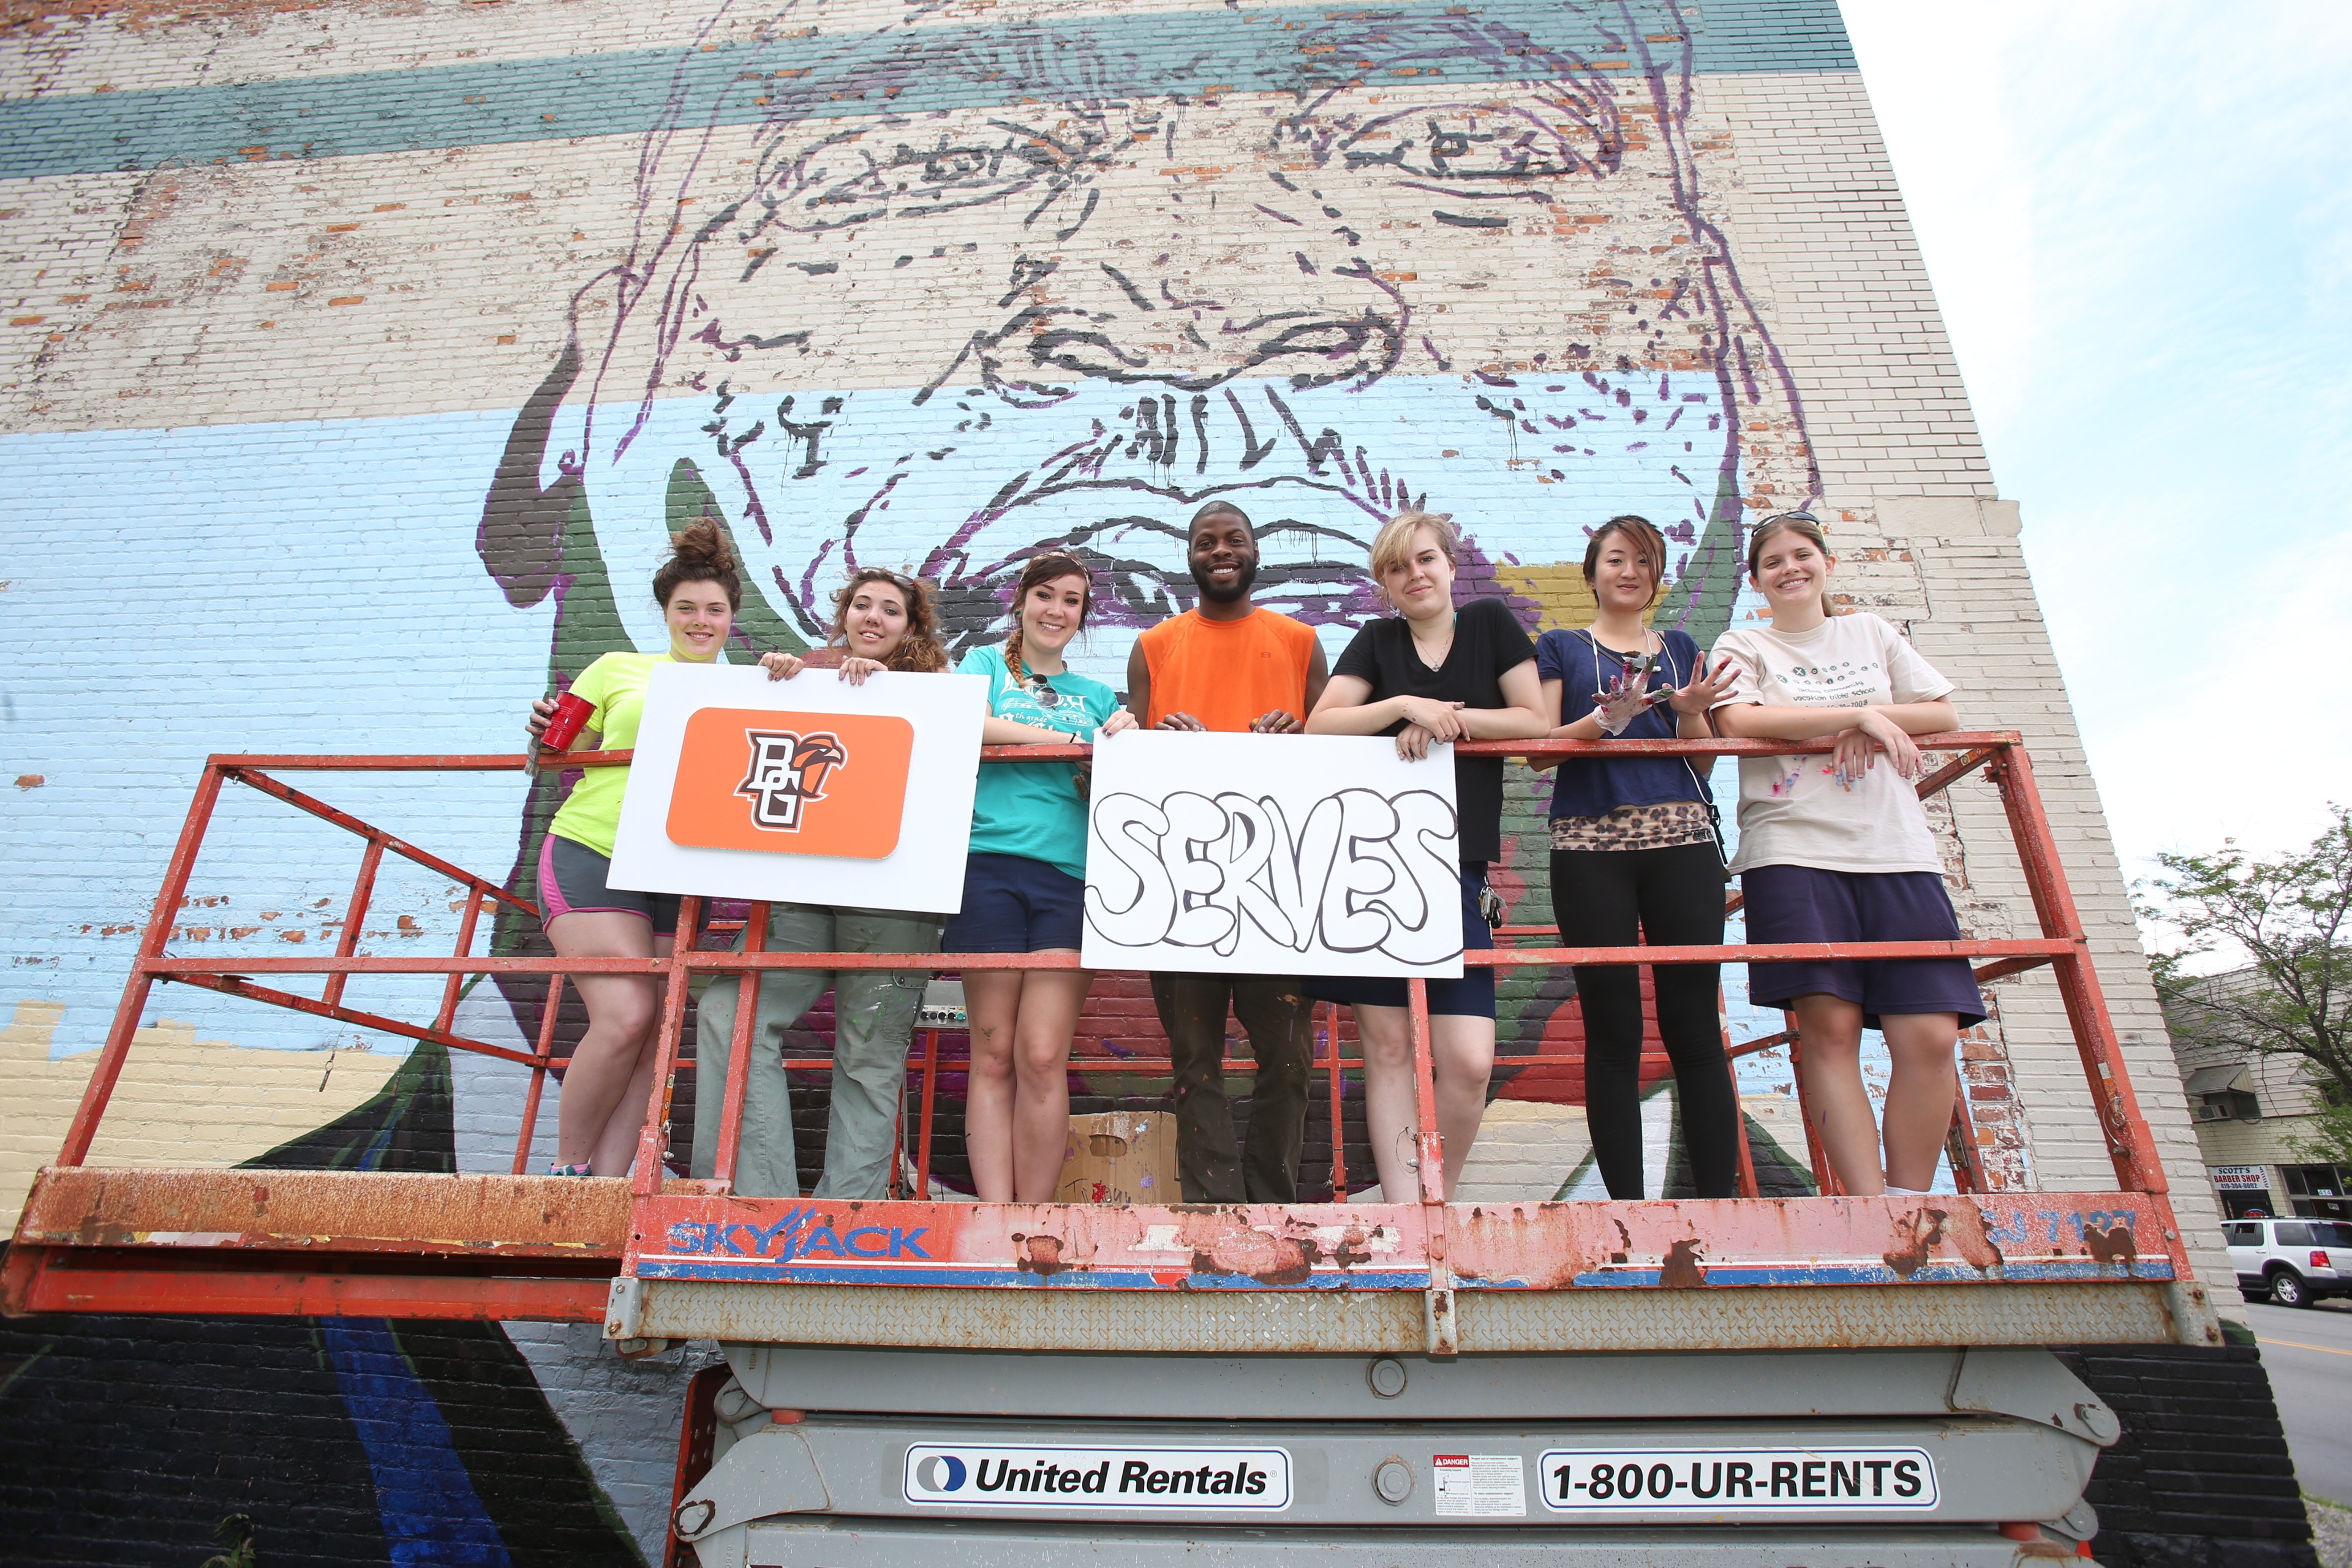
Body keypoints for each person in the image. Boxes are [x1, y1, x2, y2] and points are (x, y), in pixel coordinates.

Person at [1708, 511, 1985, 1197]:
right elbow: (1741, 722)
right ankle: (1867, 1207)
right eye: (1773, 562)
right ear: (1757, 580)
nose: (1790, 569)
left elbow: (1943, 713)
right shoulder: (1744, 643)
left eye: (1802, 555)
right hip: (1793, 848)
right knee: (1829, 1032)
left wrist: (1869, 717)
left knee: (1929, 1035)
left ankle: (1910, 1200)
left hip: (1895, 849)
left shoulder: (1868, 631)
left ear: (1825, 563)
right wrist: (1860, 716)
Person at [1303, 511, 1550, 1202]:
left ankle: (1432, 1194)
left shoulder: (1491, 625)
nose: (1415, 574)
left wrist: (1449, 720)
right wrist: (1404, 704)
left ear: (1450, 565)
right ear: (1384, 583)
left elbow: (1535, 721)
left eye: (1426, 560)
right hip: (1376, 872)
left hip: (1459, 871)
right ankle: (1407, 1213)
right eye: (1397, 566)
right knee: (1385, 1051)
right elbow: (1322, 724)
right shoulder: (1377, 641)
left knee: (1468, 1061)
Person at [526, 521, 777, 1177]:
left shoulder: (749, 686)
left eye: (714, 610)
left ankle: (610, 1190)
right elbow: (550, 757)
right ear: (666, 613)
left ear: (731, 619)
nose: (701, 621)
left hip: (678, 866)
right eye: (686, 608)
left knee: (652, 1037)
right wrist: (541, 732)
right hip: (594, 848)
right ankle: (567, 1170)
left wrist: (789, 676)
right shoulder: (616, 669)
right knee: (626, 1012)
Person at [690, 567, 950, 1200]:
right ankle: (755, 1201)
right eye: (861, 605)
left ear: (911, 627)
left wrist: (901, 688)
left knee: (869, 1057)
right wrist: (778, 678)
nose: (873, 618)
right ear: (842, 617)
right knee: (730, 1011)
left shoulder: (935, 683)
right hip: (803, 893)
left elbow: (956, 722)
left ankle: (847, 1219)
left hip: (893, 900)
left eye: (890, 610)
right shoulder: (811, 673)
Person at [1532, 515, 1744, 1200]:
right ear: (1592, 571)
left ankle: (1717, 1205)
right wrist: (1604, 721)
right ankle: (1625, 1211)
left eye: (1644, 562)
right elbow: (1539, 749)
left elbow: (1704, 760)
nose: (1630, 571)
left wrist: (1687, 711)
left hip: (1682, 841)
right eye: (1616, 559)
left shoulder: (1682, 646)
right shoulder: (1561, 646)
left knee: (1694, 1024)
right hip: (1590, 847)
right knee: (1613, 1024)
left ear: (1657, 578)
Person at [1125, 500, 1330, 1204]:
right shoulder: (1154, 646)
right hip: (1181, 883)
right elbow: (1132, 765)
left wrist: (1302, 732)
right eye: (1205, 541)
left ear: (1255, 551)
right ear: (1188, 555)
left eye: (1234, 539)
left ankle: (1273, 1206)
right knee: (1195, 1061)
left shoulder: (1301, 642)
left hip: (1279, 882)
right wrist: (1158, 743)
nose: (1220, 550)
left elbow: (1335, 757)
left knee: (1289, 1058)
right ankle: (1214, 1210)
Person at [948, 552, 1140, 1201]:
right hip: (988, 869)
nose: (1057, 610)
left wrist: (1122, 741)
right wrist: (1061, 743)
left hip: (1072, 879)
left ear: (1083, 616)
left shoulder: (1096, 697)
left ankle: (1033, 1218)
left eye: (1072, 601)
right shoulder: (982, 668)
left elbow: (1117, 783)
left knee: (1040, 1053)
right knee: (994, 1051)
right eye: (1046, 596)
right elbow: (961, 725)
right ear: (1021, 601)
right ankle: (993, 1217)